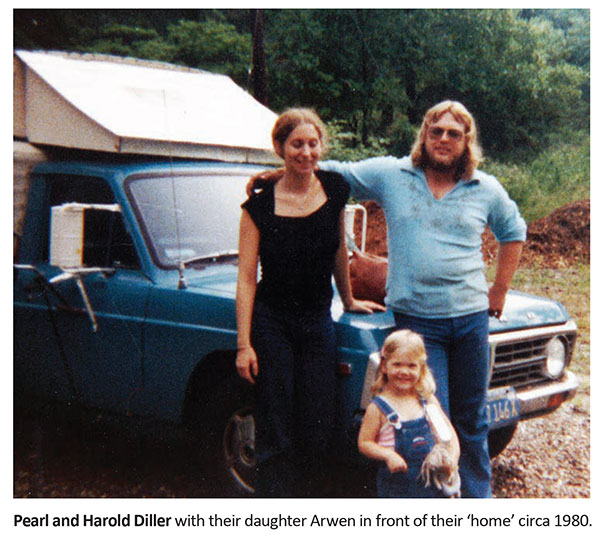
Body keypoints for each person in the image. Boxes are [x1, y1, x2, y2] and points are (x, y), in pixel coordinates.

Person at [247, 100, 527, 497]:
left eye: (454, 134)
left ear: (468, 142)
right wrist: (284, 172)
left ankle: (475, 504)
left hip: (470, 320)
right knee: (430, 420)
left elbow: (514, 231)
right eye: (436, 131)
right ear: (424, 136)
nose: (444, 140)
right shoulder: (392, 174)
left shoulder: (486, 187)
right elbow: (332, 172)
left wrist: (498, 289)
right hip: (418, 324)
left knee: (473, 420)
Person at [236, 108, 384, 497]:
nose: (306, 152)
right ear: (280, 148)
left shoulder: (334, 189)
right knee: (275, 419)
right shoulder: (258, 207)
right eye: (297, 144)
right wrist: (243, 344)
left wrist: (349, 299)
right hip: (272, 323)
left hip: (318, 321)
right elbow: (247, 277)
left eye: (313, 143)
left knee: (318, 421)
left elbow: (338, 250)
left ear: (322, 147)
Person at [358, 330, 460, 498]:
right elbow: (364, 443)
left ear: (421, 368)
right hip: (397, 489)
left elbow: (448, 438)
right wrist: (388, 455)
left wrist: (451, 464)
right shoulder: (378, 408)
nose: (404, 372)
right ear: (384, 366)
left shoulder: (427, 401)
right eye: (397, 364)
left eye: (411, 365)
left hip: (433, 488)